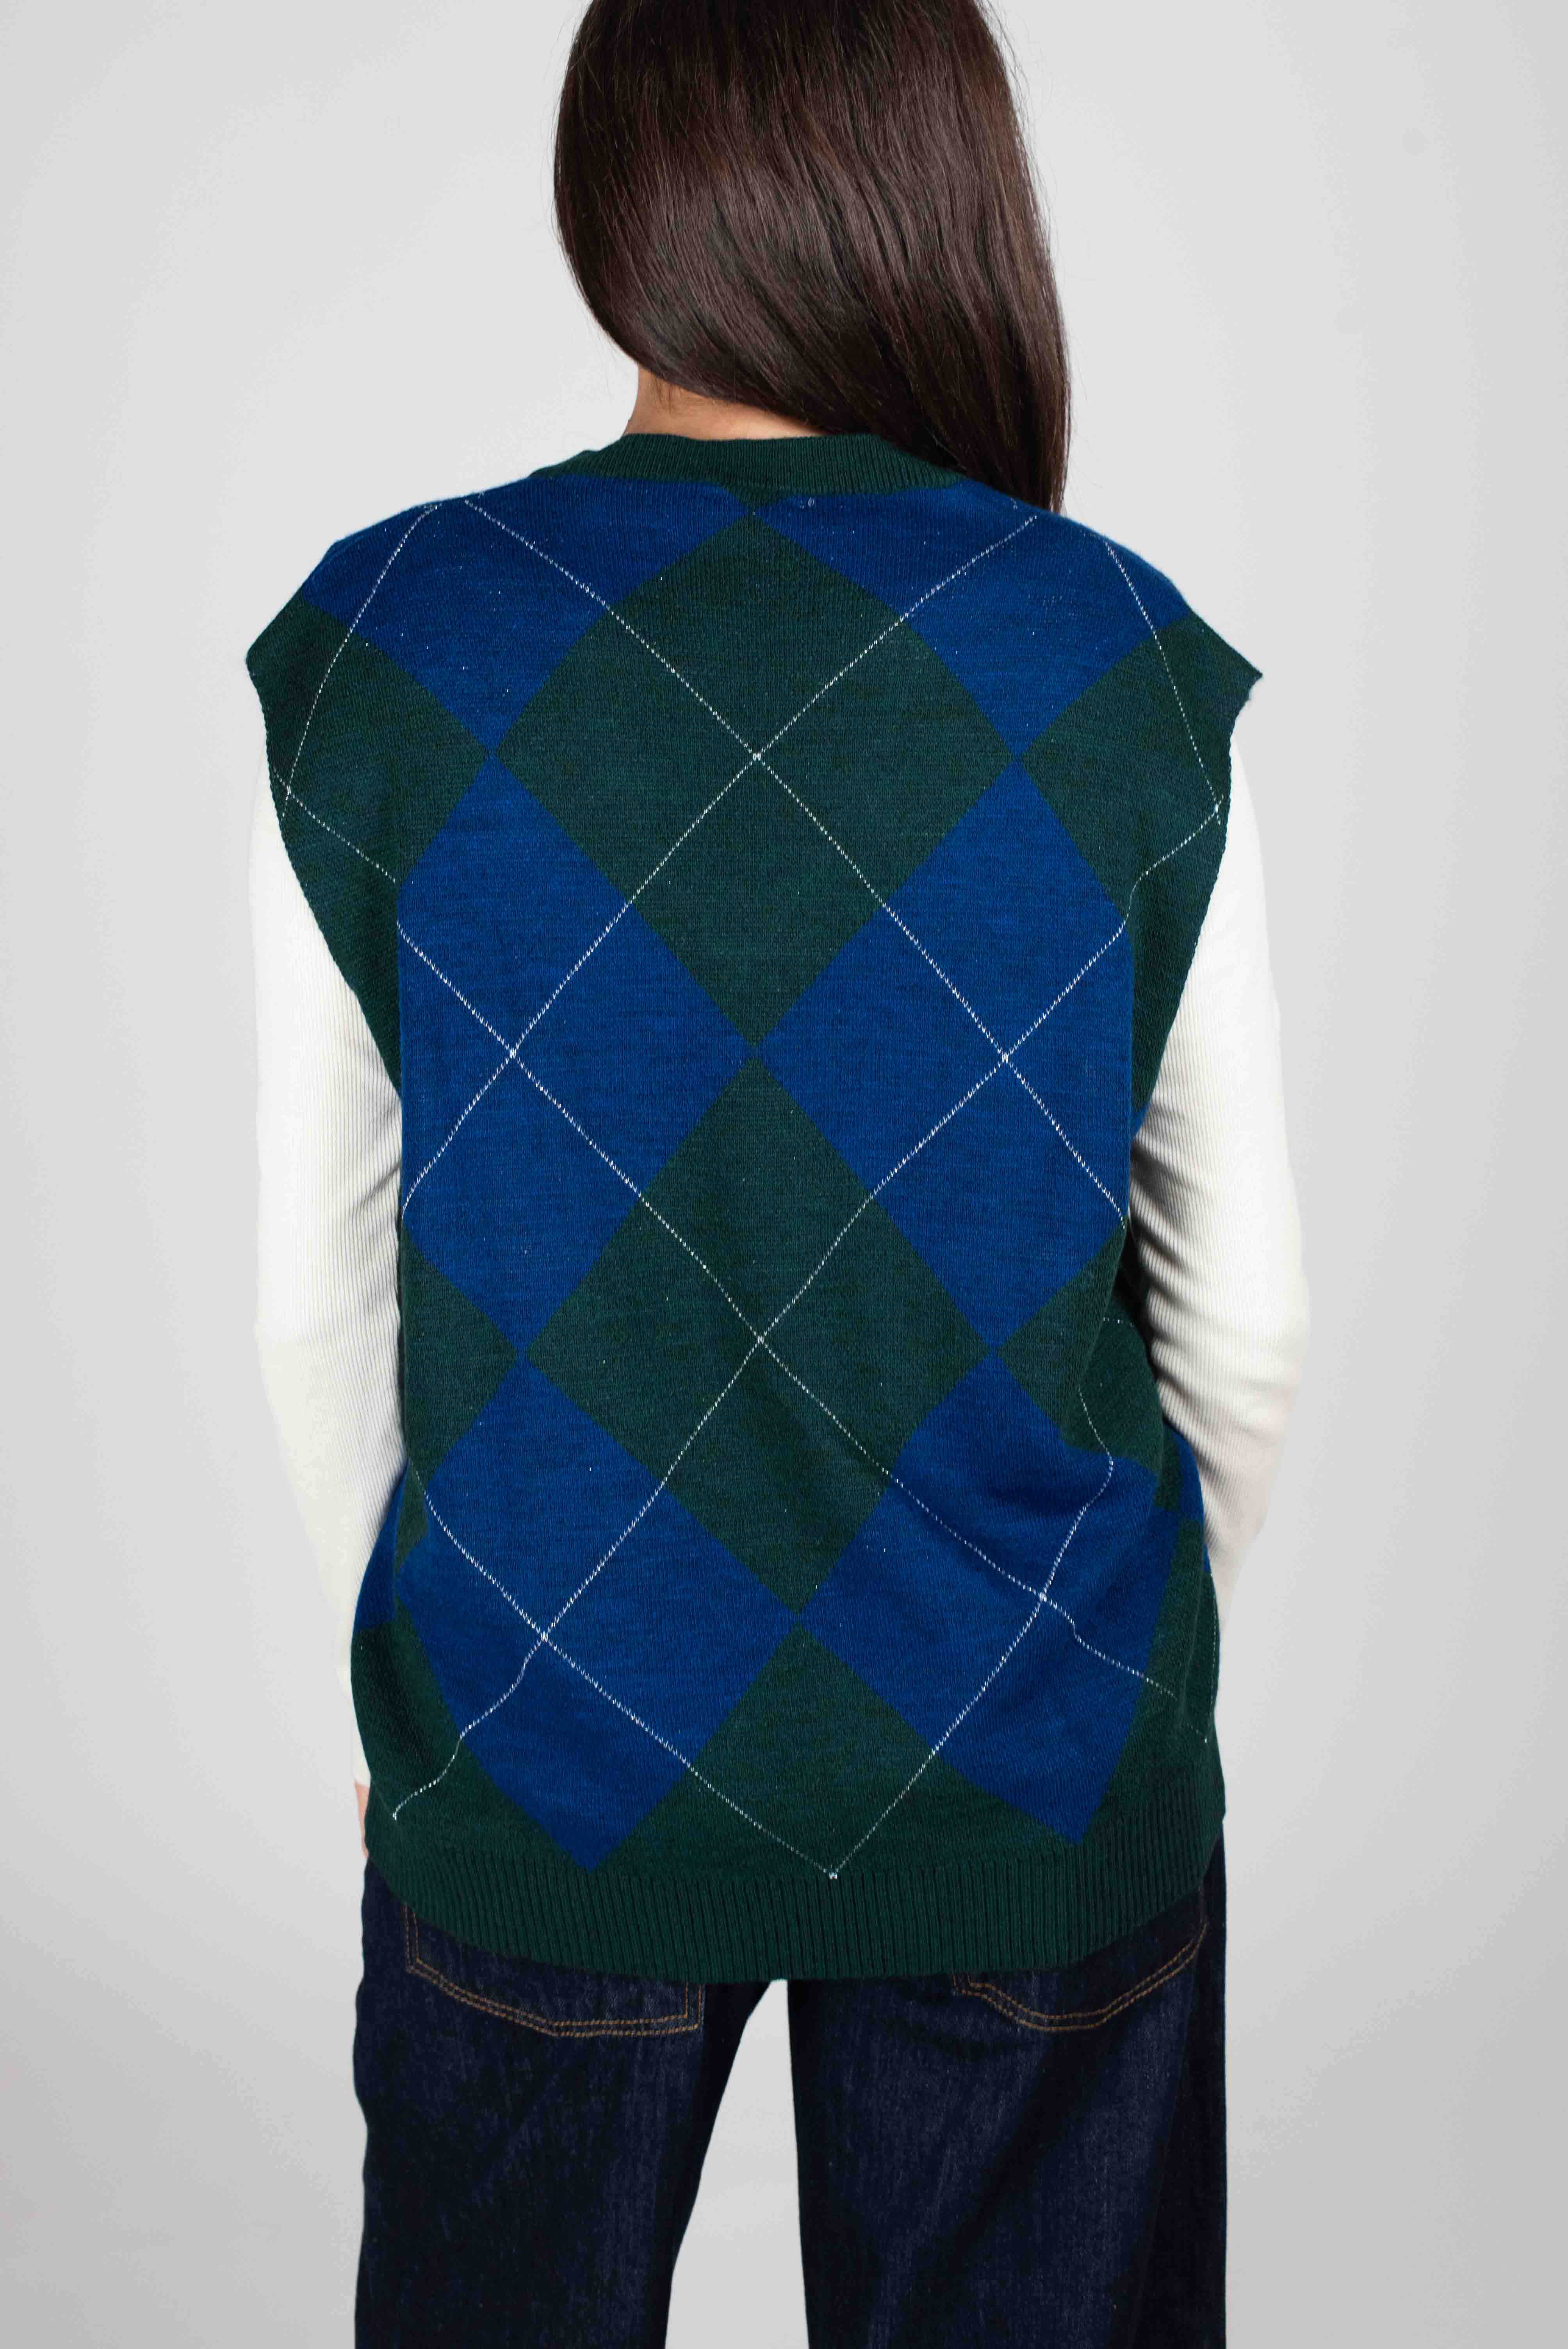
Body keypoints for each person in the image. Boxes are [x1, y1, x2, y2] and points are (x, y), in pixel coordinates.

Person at [246, 1, 1309, 2340]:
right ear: (941, 189)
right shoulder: (1118, 657)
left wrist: (430, 1709)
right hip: (1026, 1780)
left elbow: (317, 1294)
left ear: (614, 190)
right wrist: (1083, 1659)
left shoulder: (387, 648)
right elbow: (1247, 1317)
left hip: (541, 1752)